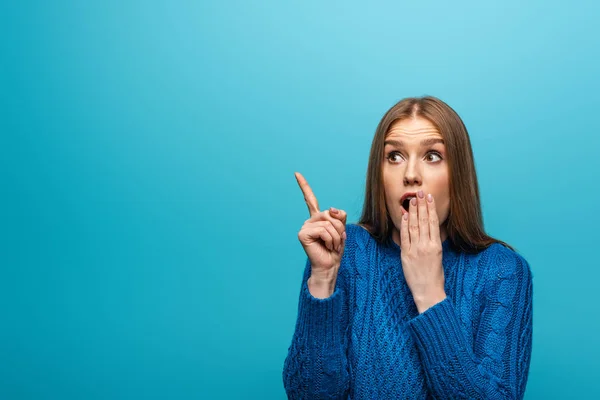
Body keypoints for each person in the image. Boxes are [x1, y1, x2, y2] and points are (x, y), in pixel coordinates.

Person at [282, 96, 534, 399]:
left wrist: (430, 293)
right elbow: (308, 394)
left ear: (458, 176)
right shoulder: (345, 253)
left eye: (432, 156)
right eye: (395, 156)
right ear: (380, 174)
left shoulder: (503, 271)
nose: (411, 174)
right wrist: (322, 280)